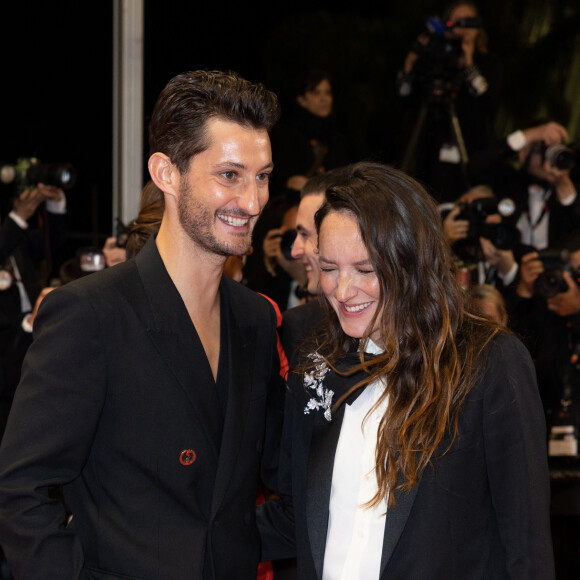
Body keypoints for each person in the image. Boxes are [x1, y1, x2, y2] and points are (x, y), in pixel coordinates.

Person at [0, 69, 285, 580]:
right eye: (230, 175)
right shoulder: (90, 314)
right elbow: (22, 493)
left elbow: (265, 482)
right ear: (166, 173)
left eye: (262, 176)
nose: (253, 201)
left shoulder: (256, 319)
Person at [257, 161, 554, 579]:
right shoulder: (318, 371)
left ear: (411, 262)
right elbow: (297, 517)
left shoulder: (489, 363)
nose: (342, 291)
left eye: (364, 269)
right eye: (329, 268)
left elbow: (526, 544)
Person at [397, 1, 502, 203]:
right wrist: (409, 65)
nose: (463, 28)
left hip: (468, 153)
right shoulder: (435, 59)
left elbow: (488, 104)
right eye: (457, 22)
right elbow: (405, 98)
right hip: (429, 147)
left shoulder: (489, 63)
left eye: (469, 22)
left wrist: (469, 63)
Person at [269, 69, 350, 198]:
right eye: (316, 92)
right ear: (302, 100)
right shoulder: (287, 134)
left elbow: (344, 181)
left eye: (328, 93)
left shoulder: (337, 138)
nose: (324, 98)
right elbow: (283, 179)